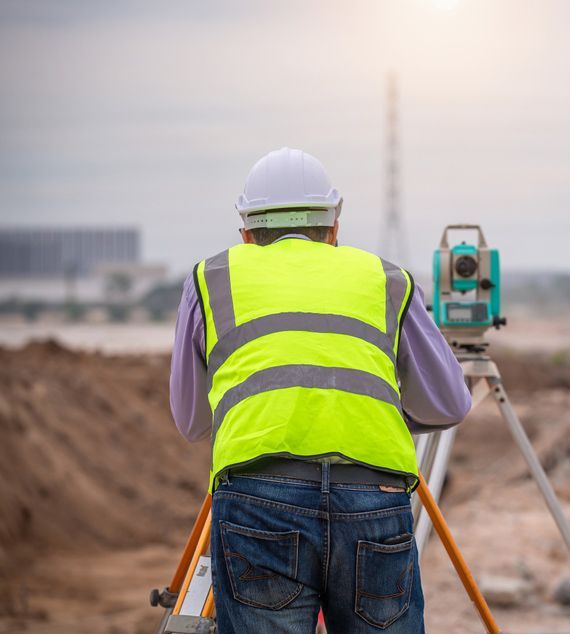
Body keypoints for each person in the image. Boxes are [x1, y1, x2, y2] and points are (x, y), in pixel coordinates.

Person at [169, 147, 471, 633]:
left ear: (245, 232)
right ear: (335, 227)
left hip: (255, 496)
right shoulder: (386, 278)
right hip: (374, 492)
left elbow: (192, 420)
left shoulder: (211, 279)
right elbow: (450, 403)